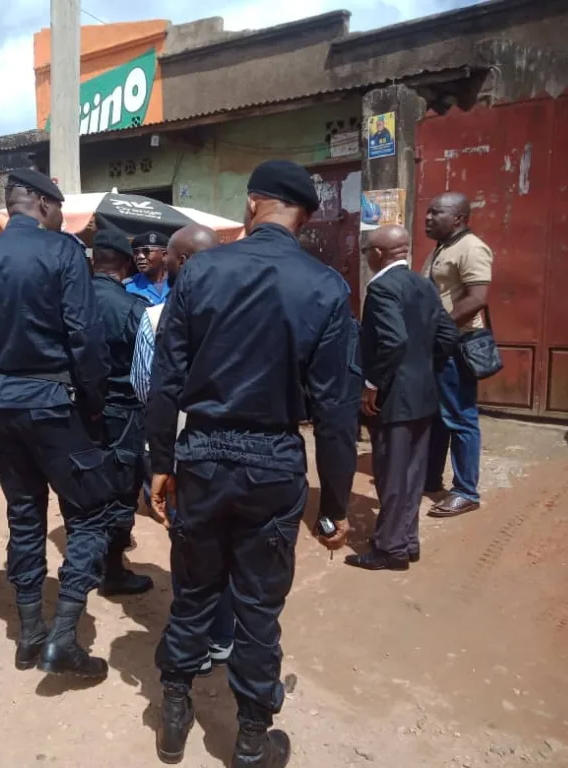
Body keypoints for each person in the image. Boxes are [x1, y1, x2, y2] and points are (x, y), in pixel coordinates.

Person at [147, 161, 360, 766]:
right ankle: (249, 740)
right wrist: (335, 507)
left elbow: (166, 378)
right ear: (306, 217)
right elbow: (338, 413)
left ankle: (174, 713)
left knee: (193, 590)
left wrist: (161, 461)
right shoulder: (324, 287)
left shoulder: (201, 271)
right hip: (272, 460)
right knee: (257, 606)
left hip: (204, 454)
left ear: (251, 206)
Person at [0, 168, 113, 680]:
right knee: (90, 514)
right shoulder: (63, 251)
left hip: (1, 407)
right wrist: (94, 404)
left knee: (25, 516)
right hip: (55, 402)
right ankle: (64, 638)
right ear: (44, 205)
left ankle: (30, 634)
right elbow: (84, 335)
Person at [131, 223, 237, 677]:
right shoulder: (246, 314)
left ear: (184, 263)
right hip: (242, 449)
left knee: (190, 547)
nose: (162, 263)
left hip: (179, 448)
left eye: (169, 257)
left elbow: (144, 388)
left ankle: (191, 643)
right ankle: (223, 637)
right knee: (232, 544)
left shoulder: (157, 317)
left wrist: (159, 458)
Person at [351, 225, 458, 571]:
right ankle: (406, 540)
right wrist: (423, 368)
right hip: (424, 394)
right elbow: (447, 335)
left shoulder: (381, 288)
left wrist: (372, 384)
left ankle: (391, 549)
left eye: (369, 248)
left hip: (394, 398)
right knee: (412, 474)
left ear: (379, 253)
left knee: (392, 475)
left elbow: (393, 341)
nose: (366, 253)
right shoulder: (424, 285)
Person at [85, 226, 153, 597]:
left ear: (95, 261)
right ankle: (113, 570)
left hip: (80, 412)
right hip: (124, 414)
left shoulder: (70, 302)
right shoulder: (134, 308)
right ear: (126, 264)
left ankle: (88, 561)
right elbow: (148, 372)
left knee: (86, 486)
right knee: (122, 491)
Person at [420, 192, 493, 518]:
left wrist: (441, 330)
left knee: (461, 418)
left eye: (436, 213)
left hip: (457, 345)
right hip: (439, 345)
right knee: (437, 415)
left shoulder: (471, 248)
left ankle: (466, 491)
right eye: (428, 212)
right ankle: (431, 477)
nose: (428, 218)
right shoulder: (444, 247)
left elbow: (477, 298)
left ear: (459, 218)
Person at [125, 230, 170, 305]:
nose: (140, 257)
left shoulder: (179, 283)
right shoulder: (127, 287)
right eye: (136, 252)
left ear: (164, 255)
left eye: (146, 252)